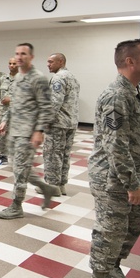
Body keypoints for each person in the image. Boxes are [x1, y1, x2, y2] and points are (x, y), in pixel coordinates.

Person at [88, 38, 140, 278]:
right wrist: (132, 184)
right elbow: (115, 145)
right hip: (112, 178)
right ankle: (100, 277)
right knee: (111, 231)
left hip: (131, 175)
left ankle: (113, 265)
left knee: (133, 226)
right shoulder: (117, 95)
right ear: (130, 61)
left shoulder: (134, 90)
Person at [0, 44, 60, 219]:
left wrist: (39, 131)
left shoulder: (38, 78)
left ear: (31, 57)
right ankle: (46, 188)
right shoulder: (17, 78)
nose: (19, 57)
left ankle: (16, 206)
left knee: (21, 170)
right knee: (17, 166)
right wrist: (5, 121)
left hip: (28, 132)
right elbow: (14, 103)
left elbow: (46, 107)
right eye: (16, 54)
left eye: (23, 54)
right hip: (14, 130)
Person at [44, 53, 80, 196]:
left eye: (51, 61)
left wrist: (45, 123)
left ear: (61, 61)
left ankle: (53, 186)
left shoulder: (58, 78)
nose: (48, 64)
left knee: (53, 154)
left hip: (58, 123)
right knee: (64, 154)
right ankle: (61, 184)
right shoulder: (72, 77)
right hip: (71, 122)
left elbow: (54, 103)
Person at [0, 56, 18, 166]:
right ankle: (3, 156)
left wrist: (11, 99)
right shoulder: (2, 79)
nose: (11, 66)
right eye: (10, 63)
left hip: (17, 113)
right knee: (2, 134)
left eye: (14, 64)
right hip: (4, 112)